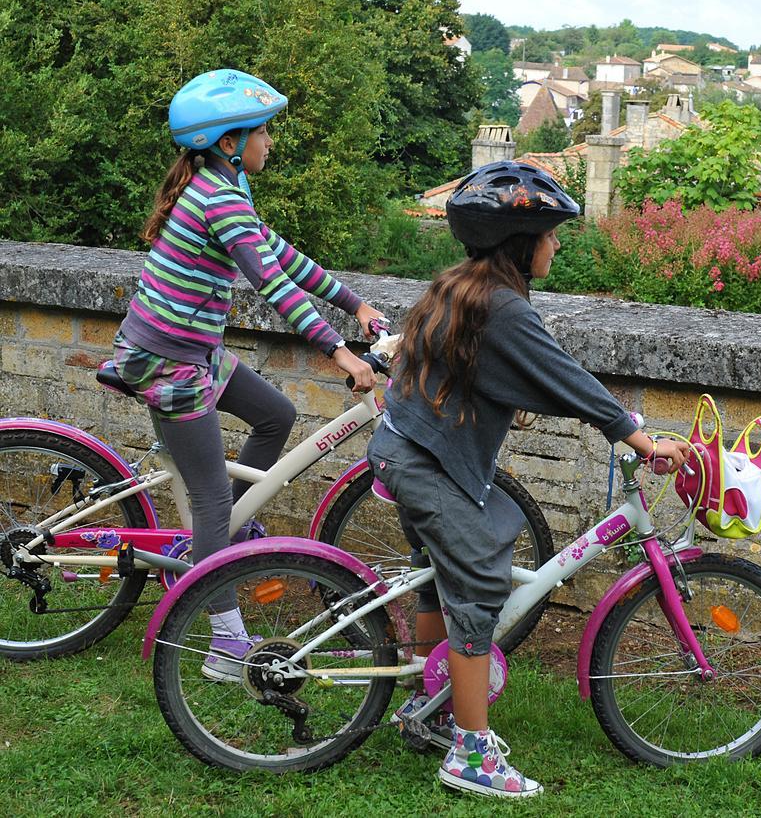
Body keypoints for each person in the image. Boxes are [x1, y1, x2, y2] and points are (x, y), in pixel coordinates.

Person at [366, 161, 689, 799]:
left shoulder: (462, 284)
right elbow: (564, 377)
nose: (557, 245)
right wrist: (637, 436)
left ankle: (425, 707)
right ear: (523, 242)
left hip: (407, 450)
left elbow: (538, 376)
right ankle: (471, 754)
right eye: (551, 235)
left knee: (440, 576)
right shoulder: (504, 308)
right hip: (427, 464)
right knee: (481, 586)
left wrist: (619, 422)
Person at [113, 69, 384, 680]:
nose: (271, 142)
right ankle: (223, 644)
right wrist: (340, 353)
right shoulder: (219, 196)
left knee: (276, 415)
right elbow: (274, 288)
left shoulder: (225, 186)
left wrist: (354, 304)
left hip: (197, 352)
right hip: (169, 361)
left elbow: (280, 255)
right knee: (211, 502)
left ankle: (221, 544)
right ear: (232, 142)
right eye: (263, 132)